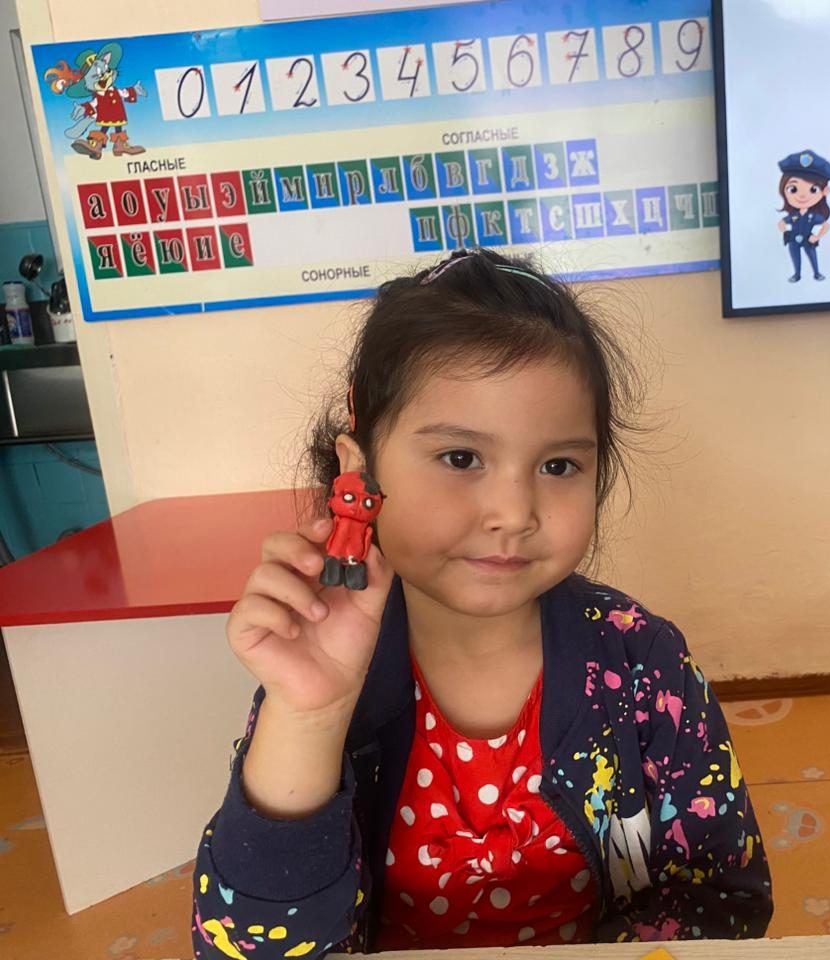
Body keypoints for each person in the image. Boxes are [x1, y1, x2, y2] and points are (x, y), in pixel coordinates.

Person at [190, 249, 773, 958]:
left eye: (558, 465)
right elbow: (248, 948)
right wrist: (310, 715)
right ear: (359, 472)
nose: (514, 512)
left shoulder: (642, 659)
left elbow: (723, 897)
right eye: (461, 458)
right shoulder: (328, 671)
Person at [777, 150, 830, 282]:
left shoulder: (813, 215)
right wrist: (785, 232)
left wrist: (817, 236)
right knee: (795, 257)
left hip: (808, 240)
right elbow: (781, 223)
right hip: (793, 240)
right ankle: (797, 274)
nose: (802, 196)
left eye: (813, 189)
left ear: (824, 192)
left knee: (812, 256)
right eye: (793, 189)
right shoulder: (793, 215)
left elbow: (826, 225)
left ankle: (816, 273)